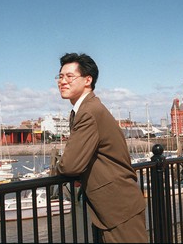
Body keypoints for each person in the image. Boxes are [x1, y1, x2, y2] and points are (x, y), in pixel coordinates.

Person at [55, 52, 148, 243]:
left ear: (87, 80)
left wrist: (58, 168)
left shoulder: (88, 112)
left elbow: (70, 165)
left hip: (118, 208)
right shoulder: (86, 109)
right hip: (113, 207)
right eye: (60, 76)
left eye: (69, 76)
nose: (62, 81)